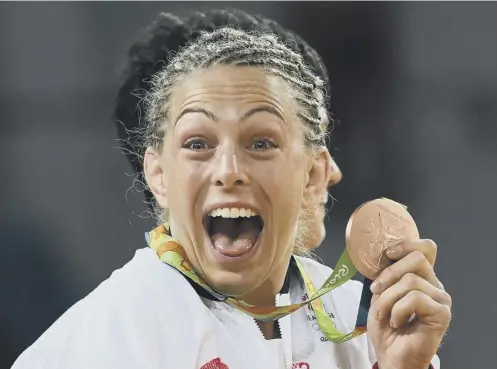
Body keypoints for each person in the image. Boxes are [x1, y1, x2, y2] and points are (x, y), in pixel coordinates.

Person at [12, 9, 451, 369]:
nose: (229, 170)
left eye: (261, 143)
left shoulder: (371, 326)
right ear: (158, 174)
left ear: (314, 175)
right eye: (198, 144)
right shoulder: (105, 341)